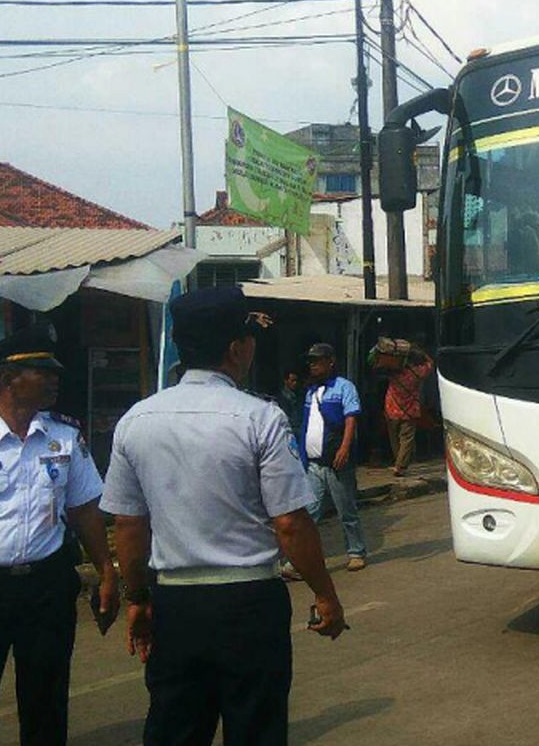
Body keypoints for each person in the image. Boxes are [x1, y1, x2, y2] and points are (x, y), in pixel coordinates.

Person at [100, 287, 347, 746]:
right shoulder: (260, 418)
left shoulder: (137, 420)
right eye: (249, 339)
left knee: (175, 728)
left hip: (175, 604)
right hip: (249, 603)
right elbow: (290, 523)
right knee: (255, 727)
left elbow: (129, 527)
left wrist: (137, 598)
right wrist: (325, 593)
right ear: (237, 348)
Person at [0, 324, 119, 746]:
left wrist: (107, 573)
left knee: (46, 698)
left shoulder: (64, 436)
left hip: (46, 585)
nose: (55, 379)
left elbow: (85, 510)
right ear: (7, 380)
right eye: (43, 371)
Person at [300, 343, 367, 572]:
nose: (312, 365)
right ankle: (300, 560)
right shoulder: (310, 391)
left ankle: (356, 551)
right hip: (314, 464)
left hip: (336, 461)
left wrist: (344, 448)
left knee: (346, 510)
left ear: (330, 362)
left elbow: (350, 419)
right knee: (310, 513)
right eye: (310, 361)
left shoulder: (344, 387)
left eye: (317, 361)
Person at [379, 342, 435, 477]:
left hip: (391, 408)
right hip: (409, 410)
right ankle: (400, 466)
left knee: (394, 438)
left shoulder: (394, 371)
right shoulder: (418, 372)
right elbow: (430, 364)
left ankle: (398, 463)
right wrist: (422, 352)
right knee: (406, 439)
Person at [277, 369, 302, 434]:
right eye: (292, 381)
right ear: (286, 381)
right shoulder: (280, 398)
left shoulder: (299, 396)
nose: (295, 383)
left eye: (296, 381)